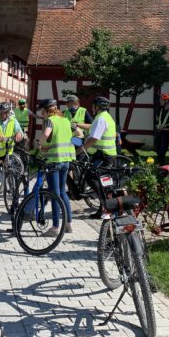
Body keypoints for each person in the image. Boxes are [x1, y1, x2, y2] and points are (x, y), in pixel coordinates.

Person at [37, 98, 74, 235]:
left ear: (47, 110)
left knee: (54, 194)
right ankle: (69, 224)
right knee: (63, 192)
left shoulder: (51, 120)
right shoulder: (65, 120)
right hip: (66, 161)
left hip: (54, 161)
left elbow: (46, 134)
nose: (42, 114)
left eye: (43, 111)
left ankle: (55, 227)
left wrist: (40, 145)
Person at [82, 96, 119, 219]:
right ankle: (104, 207)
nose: (92, 108)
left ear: (98, 107)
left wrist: (81, 149)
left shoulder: (101, 119)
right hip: (106, 154)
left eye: (93, 106)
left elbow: (94, 138)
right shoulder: (106, 117)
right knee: (103, 181)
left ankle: (106, 206)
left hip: (104, 155)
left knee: (92, 178)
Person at [0, 102, 24, 209]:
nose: (2, 115)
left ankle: (15, 198)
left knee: (12, 175)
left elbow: (20, 132)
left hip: (8, 152)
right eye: (0, 113)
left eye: (4, 113)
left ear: (7, 113)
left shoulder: (13, 121)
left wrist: (19, 134)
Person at [155, 93, 169, 165]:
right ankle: (161, 165)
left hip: (167, 133)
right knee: (158, 151)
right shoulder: (161, 110)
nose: (160, 101)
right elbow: (158, 119)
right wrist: (158, 125)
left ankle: (162, 166)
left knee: (162, 151)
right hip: (160, 132)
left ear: (167, 101)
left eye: (161, 100)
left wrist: (165, 126)